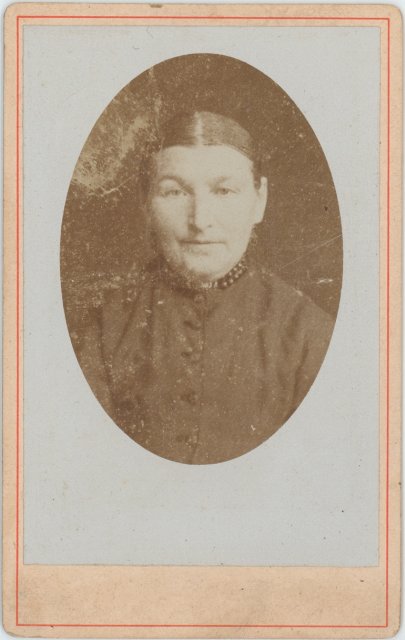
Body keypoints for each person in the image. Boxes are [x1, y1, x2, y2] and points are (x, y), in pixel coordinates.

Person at [76, 111, 334, 464]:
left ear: (259, 200)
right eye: (175, 192)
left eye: (224, 191)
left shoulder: (310, 333)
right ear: (145, 202)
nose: (200, 220)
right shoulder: (105, 327)